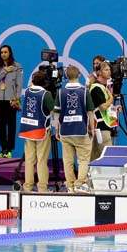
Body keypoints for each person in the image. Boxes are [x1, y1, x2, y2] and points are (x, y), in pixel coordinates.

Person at [55, 65, 95, 193]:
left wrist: (57, 130)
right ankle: (80, 184)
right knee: (83, 160)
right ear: (79, 75)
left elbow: (56, 114)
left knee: (67, 161)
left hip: (65, 132)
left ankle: (70, 186)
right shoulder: (84, 91)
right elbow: (90, 112)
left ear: (66, 76)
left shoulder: (60, 92)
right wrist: (92, 129)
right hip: (81, 131)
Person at [19, 71, 56, 192]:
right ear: (45, 82)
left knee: (29, 160)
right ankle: (42, 188)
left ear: (33, 81)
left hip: (27, 129)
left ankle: (28, 187)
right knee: (41, 160)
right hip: (41, 131)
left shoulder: (27, 91)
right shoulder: (46, 94)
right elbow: (53, 110)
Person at [0, 45, 23, 158]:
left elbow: (19, 84)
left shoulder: (17, 66)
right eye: (1, 52)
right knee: (1, 125)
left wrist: (17, 98)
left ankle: (9, 149)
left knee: (11, 125)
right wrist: (4, 71)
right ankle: (3, 149)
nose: (3, 54)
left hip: (11, 100)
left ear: (10, 53)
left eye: (5, 52)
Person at [89, 60, 117, 162]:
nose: (109, 71)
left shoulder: (104, 87)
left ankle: (90, 177)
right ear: (99, 73)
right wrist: (111, 99)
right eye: (106, 69)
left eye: (109, 69)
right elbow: (103, 107)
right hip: (101, 128)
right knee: (108, 158)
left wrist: (114, 108)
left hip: (103, 127)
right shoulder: (96, 88)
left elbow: (105, 108)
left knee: (94, 157)